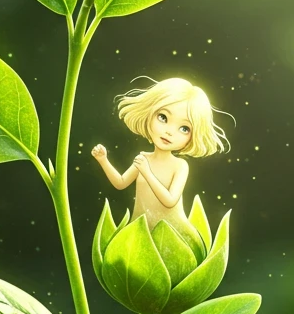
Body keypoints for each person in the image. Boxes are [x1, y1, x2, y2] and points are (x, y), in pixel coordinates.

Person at [90, 76, 230, 235]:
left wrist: (147, 173)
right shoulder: (143, 159)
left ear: (194, 135)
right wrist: (103, 160)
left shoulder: (180, 166)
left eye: (184, 128)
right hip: (140, 233)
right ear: (149, 113)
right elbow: (120, 183)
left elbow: (170, 201)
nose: (169, 131)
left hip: (173, 235)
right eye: (163, 117)